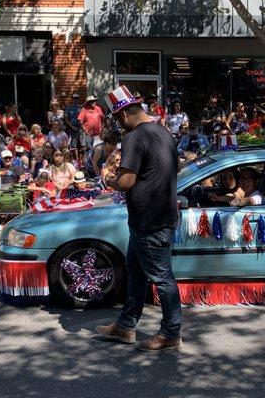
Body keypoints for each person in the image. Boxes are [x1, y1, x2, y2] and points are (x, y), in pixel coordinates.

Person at [97, 85, 182, 351]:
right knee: (136, 273)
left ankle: (171, 332)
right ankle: (126, 325)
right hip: (160, 216)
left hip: (149, 219)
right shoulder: (163, 132)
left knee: (161, 277)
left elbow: (126, 181)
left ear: (122, 116)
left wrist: (108, 178)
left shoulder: (134, 137)